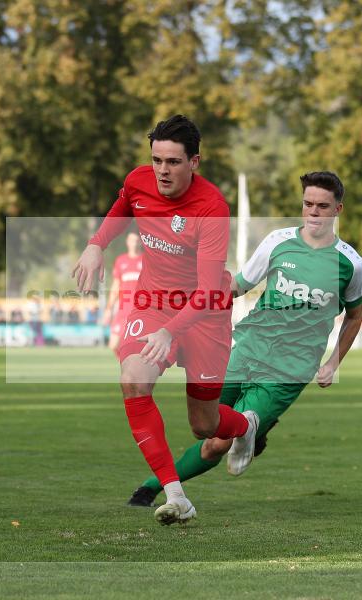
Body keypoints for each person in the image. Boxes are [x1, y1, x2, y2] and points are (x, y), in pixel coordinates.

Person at [127, 171, 362, 506]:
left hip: (290, 367)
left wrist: (332, 363)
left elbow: (354, 316)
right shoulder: (278, 242)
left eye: (322, 206)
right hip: (247, 347)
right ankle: (254, 431)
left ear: (338, 209)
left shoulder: (351, 265)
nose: (313, 211)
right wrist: (193, 299)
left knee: (218, 444)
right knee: (205, 426)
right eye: (308, 204)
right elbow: (239, 285)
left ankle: (150, 488)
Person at [72, 115, 253, 526]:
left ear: (195, 162)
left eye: (173, 162)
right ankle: (176, 496)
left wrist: (170, 332)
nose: (162, 171)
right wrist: (96, 245)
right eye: (157, 160)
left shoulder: (212, 208)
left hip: (205, 313)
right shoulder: (139, 181)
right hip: (153, 302)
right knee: (133, 379)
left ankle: (245, 426)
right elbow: (123, 205)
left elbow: (207, 292)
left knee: (204, 426)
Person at [103, 231, 143, 354]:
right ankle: (127, 363)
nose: (134, 243)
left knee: (138, 345)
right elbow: (116, 286)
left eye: (136, 241)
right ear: (127, 242)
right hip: (123, 308)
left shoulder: (146, 260)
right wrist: (108, 309)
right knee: (113, 344)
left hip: (140, 309)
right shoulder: (121, 261)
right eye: (131, 240)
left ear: (140, 242)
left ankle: (135, 364)